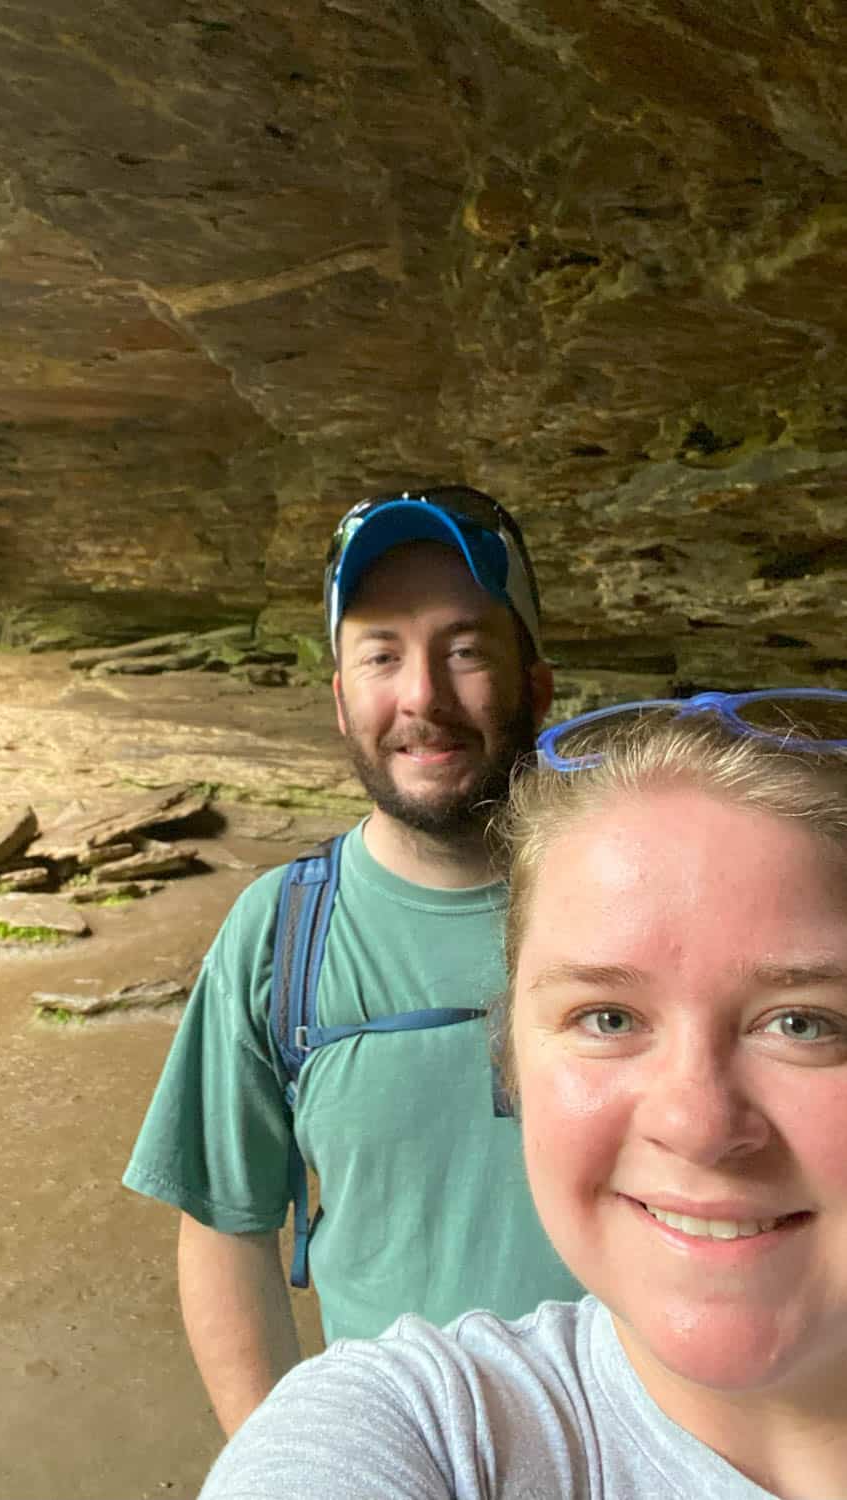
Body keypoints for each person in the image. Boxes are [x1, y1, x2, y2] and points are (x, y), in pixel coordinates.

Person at [199, 688, 847, 1499]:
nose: (697, 1123)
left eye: (803, 1024)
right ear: (508, 1056)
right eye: (606, 1016)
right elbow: (225, 1218)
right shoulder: (421, 1427)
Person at [123, 485, 581, 1435]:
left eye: (463, 650)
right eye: (381, 655)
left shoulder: (633, 900)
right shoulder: (279, 934)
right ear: (340, 700)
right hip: (404, 1454)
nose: (421, 696)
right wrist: (277, 1464)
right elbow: (227, 1226)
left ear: (534, 685)